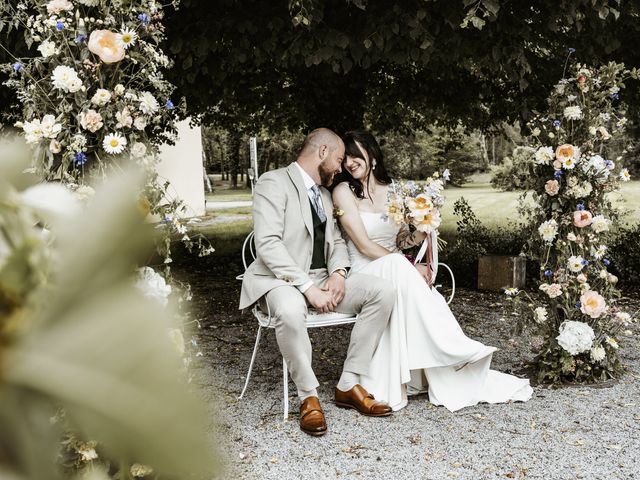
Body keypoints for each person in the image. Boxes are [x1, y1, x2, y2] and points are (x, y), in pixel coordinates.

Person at [331, 130, 533, 412]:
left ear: (371, 154)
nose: (350, 163)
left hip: (396, 269)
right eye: (345, 159)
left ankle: (448, 352)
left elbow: (400, 241)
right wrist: (408, 266)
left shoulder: (394, 191)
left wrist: (421, 231)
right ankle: (453, 348)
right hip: (367, 273)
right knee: (400, 268)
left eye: (355, 154)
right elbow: (364, 245)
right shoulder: (343, 192)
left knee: (403, 271)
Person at [240, 128, 396, 436]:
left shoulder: (325, 194)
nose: (340, 168)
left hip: (321, 279)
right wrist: (307, 288)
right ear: (322, 153)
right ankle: (308, 396)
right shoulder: (273, 182)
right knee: (289, 308)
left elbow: (337, 242)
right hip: (278, 280)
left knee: (382, 292)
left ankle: (349, 384)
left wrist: (338, 274)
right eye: (338, 159)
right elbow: (268, 244)